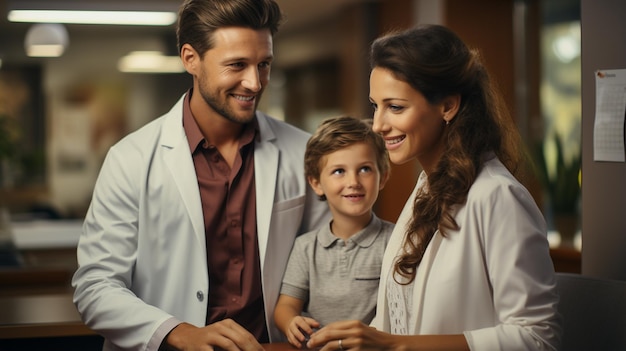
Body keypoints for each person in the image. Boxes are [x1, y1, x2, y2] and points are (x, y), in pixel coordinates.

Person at [71, 0, 330, 350]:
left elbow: (329, 262)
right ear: (190, 58)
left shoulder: (304, 152)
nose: (254, 83)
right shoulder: (130, 159)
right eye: (237, 65)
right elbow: (95, 287)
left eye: (264, 65)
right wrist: (179, 332)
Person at [306, 24, 562, 351]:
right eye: (375, 106)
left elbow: (539, 337)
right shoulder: (427, 187)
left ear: (448, 106)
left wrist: (396, 345)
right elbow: (404, 317)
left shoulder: (498, 196)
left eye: (395, 107)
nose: (379, 124)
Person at [274, 116, 394, 348]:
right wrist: (290, 322)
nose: (353, 182)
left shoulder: (395, 242)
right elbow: (286, 306)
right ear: (316, 183)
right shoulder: (305, 247)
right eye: (339, 171)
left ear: (383, 177)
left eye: (365, 169)